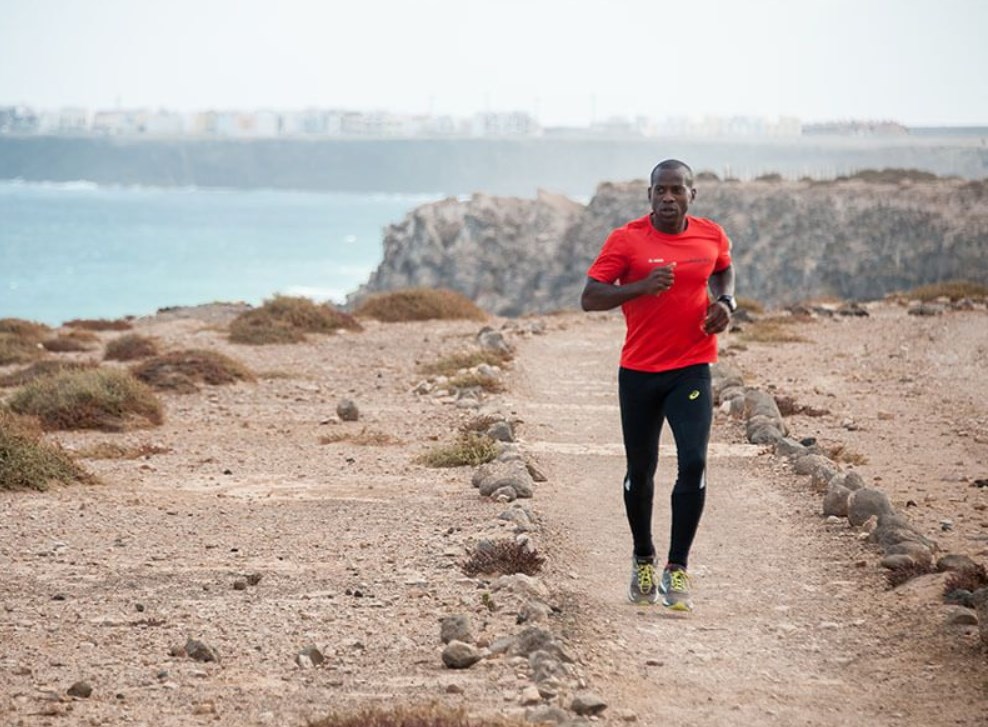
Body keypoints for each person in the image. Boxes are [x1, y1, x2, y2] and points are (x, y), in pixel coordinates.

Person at [580, 159, 736, 611]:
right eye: (660, 190)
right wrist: (642, 286)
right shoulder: (626, 239)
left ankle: (677, 567)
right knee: (641, 470)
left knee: (694, 462)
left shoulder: (711, 235)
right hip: (639, 373)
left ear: (692, 195)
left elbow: (723, 268)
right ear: (649, 196)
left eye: (677, 190)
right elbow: (590, 297)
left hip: (691, 367)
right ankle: (643, 557)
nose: (668, 197)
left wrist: (726, 301)